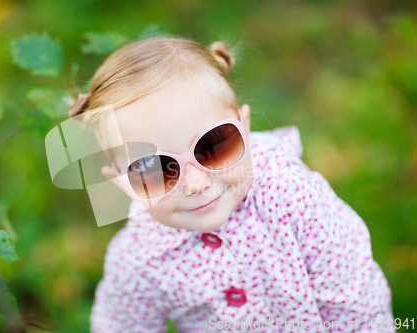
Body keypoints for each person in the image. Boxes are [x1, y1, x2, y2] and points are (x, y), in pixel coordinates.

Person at [68, 36, 394, 332]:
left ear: (245, 126)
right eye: (154, 169)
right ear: (122, 184)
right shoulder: (138, 256)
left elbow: (357, 307)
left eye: (213, 146)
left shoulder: (295, 199)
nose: (195, 183)